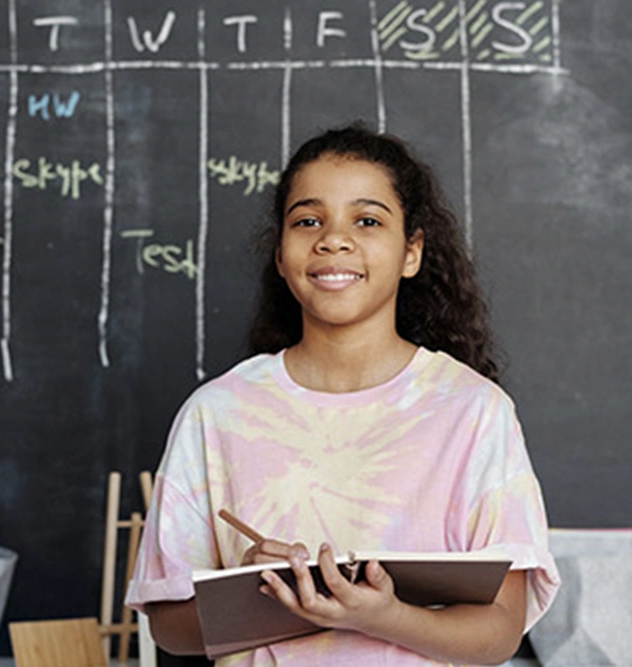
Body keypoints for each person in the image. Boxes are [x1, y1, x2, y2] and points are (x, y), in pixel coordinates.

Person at [125, 123, 560, 666]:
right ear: (281, 255)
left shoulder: (473, 412)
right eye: (308, 221)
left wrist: (382, 616)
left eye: (368, 220)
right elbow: (169, 624)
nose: (333, 239)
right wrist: (259, 598)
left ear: (412, 252)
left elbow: (500, 632)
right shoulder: (217, 414)